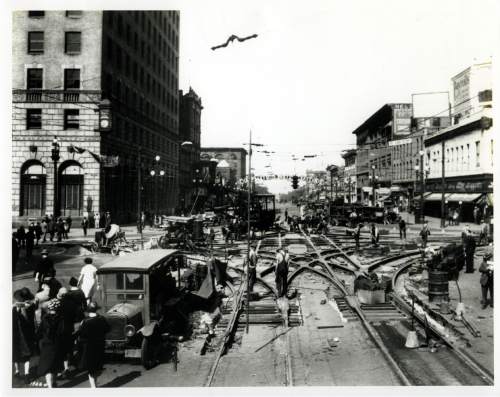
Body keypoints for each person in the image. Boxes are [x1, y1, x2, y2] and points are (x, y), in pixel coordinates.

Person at [75, 302, 110, 388]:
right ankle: (95, 385)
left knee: (91, 367)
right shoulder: (102, 319)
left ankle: (93, 386)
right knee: (98, 365)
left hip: (89, 346)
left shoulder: (85, 321)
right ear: (96, 309)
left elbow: (81, 333)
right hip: (100, 345)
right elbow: (107, 329)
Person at [37, 299, 65, 388]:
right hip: (57, 344)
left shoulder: (45, 318)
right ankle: (54, 382)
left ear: (49, 308)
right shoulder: (61, 318)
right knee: (55, 365)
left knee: (47, 366)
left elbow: (39, 332)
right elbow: (63, 332)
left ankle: (50, 386)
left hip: (47, 344)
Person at [12, 288, 37, 384]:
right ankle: (26, 374)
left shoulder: (14, 308)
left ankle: (17, 371)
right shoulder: (30, 306)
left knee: (15, 353)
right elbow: (34, 303)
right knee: (27, 355)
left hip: (15, 333)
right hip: (26, 333)